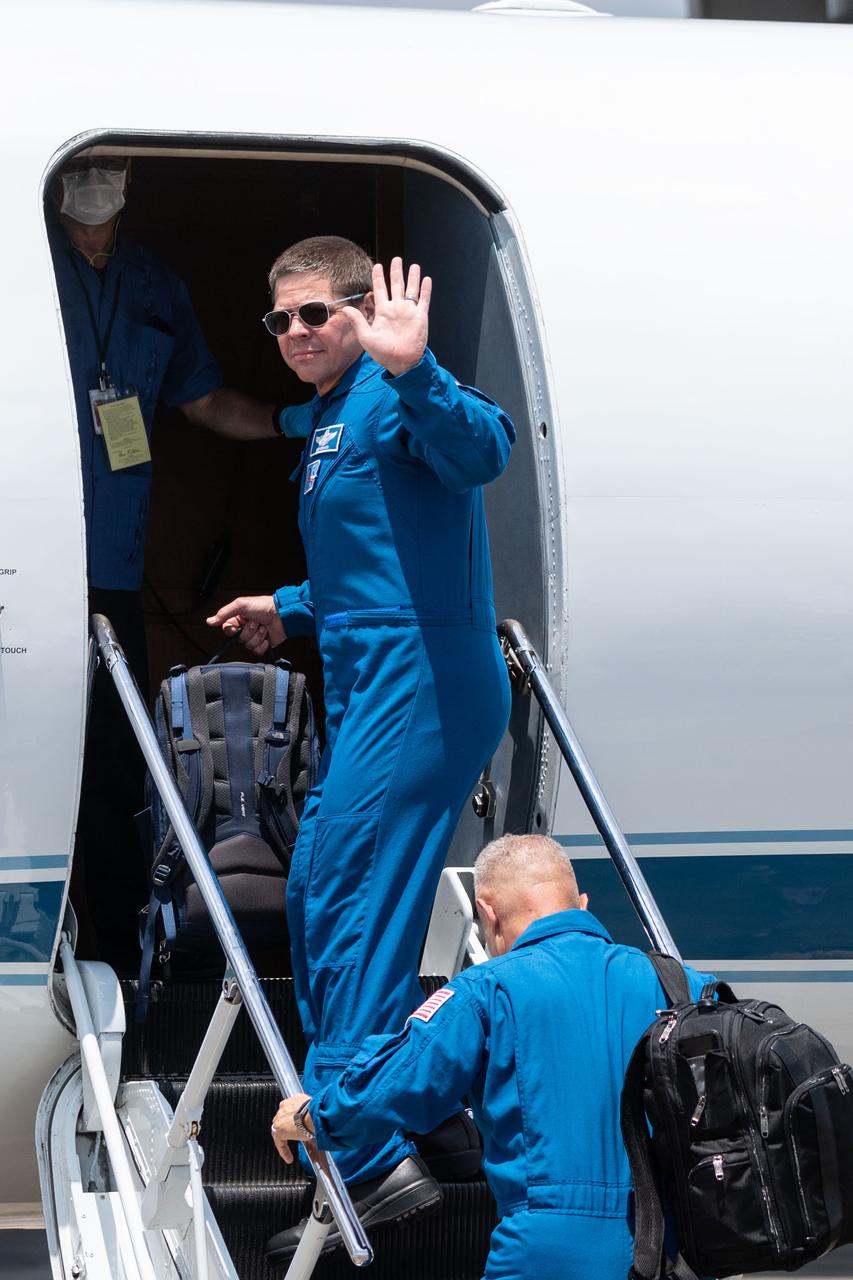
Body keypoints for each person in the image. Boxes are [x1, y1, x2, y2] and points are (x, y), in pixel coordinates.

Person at [207, 237, 515, 1251]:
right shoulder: (334, 414)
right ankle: (426, 1115)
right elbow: (379, 562)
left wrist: (414, 362)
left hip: (421, 683)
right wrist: (287, 607)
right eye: (279, 319)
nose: (295, 333)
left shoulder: (391, 387)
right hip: (379, 669)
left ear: (359, 308)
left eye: (314, 314)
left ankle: (364, 1147)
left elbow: (481, 451)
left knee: (345, 893)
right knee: (325, 890)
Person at [268, 835, 716, 1278]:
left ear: (487, 912)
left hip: (549, 1250)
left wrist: (312, 1118)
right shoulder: (685, 985)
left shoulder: (487, 989)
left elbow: (393, 1084)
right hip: (677, 1250)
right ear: (581, 903)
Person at [50, 154, 276, 967]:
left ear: (133, 177)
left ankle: (114, 955)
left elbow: (203, 399)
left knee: (114, 768)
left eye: (111, 166)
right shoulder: (27, 259)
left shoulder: (152, 282)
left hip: (111, 565)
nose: (98, 180)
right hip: (32, 566)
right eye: (84, 166)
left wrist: (299, 421)